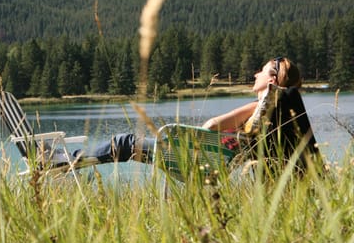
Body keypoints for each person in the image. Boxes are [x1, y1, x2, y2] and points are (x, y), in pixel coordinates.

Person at [88, 57, 321, 172]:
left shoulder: (256, 109)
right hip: (212, 164)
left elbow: (210, 126)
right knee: (124, 144)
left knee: (124, 142)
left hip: (194, 159)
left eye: (261, 71)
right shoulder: (276, 115)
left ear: (271, 80)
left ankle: (63, 160)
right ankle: (63, 158)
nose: (255, 74)